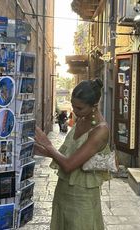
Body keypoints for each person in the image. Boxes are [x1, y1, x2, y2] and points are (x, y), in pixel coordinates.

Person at [34, 78, 111, 230]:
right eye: (73, 105)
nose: (75, 111)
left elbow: (69, 165)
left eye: (80, 108)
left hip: (82, 198)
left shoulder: (100, 130)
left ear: (94, 106)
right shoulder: (81, 119)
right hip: (63, 191)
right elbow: (69, 155)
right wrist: (41, 150)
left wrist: (48, 144)